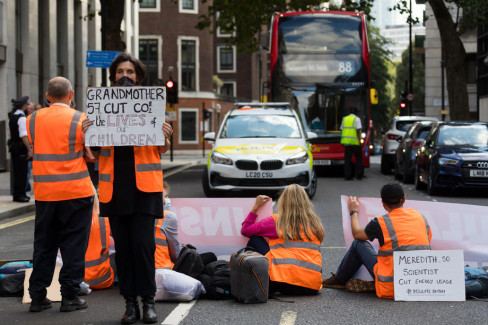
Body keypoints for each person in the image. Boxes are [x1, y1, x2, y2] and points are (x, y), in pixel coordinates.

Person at [83, 52, 173, 324]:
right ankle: (130, 304)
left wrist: (166, 135)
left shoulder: (153, 105)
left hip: (145, 190)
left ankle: (148, 303)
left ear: (139, 76)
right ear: (113, 76)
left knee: (143, 247)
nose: (125, 76)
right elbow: (94, 151)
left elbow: (160, 149)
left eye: (130, 72)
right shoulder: (100, 107)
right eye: (121, 71)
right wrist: (88, 132)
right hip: (115, 190)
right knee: (123, 251)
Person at [26, 77, 95, 312]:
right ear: (71, 94)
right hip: (76, 191)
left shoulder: (32, 119)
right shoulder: (81, 119)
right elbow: (90, 154)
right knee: (73, 246)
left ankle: (37, 297)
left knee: (44, 245)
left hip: (45, 193)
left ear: (47, 96)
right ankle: (70, 297)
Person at [323, 183, 432, 298]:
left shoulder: (381, 223)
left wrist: (353, 211)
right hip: (420, 282)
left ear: (383, 204)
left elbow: (357, 234)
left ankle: (340, 279)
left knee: (358, 244)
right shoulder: (421, 217)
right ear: (404, 199)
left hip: (390, 283)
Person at [241, 184, 324, 295]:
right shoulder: (315, 224)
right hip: (311, 287)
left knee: (255, 239)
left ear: (283, 201)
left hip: (283, 283)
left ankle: (253, 280)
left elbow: (245, 230)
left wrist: (256, 207)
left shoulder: (277, 221)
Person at [8, 96, 33, 202]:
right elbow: (24, 136)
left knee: (17, 172)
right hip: (21, 149)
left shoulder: (12, 116)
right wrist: (29, 149)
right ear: (24, 106)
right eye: (26, 105)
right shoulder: (22, 118)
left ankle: (19, 194)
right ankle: (20, 195)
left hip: (14, 148)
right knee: (22, 172)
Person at [154, 181, 180, 269]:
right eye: (164, 197)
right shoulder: (168, 216)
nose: (166, 200)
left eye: (167, 196)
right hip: (162, 269)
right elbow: (175, 253)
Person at [340, 107, 363, 180]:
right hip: (355, 143)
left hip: (346, 143)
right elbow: (358, 131)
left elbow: (341, 130)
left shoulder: (345, 119)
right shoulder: (357, 119)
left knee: (347, 160)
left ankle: (347, 176)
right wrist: (360, 142)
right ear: (356, 112)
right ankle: (358, 175)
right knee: (358, 158)